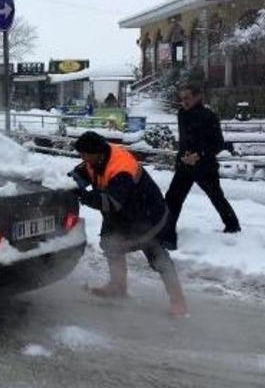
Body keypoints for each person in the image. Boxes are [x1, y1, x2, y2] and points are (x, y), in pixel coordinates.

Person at [70, 131, 187, 317]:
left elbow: (112, 202)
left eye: (85, 154)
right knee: (110, 243)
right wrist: (64, 183)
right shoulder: (95, 160)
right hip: (122, 215)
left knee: (156, 255)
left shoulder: (120, 168)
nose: (82, 158)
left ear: (97, 153)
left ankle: (178, 300)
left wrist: (82, 196)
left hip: (146, 214)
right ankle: (118, 287)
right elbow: (78, 175)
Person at [163, 84, 240, 250]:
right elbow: (185, 140)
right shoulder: (182, 114)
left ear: (198, 97)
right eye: (182, 99)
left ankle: (233, 227)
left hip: (205, 167)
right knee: (172, 199)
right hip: (185, 165)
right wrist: (183, 156)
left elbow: (218, 143)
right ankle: (167, 236)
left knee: (216, 197)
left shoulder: (209, 116)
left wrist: (199, 154)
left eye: (187, 98)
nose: (184, 102)